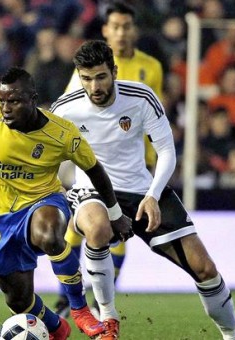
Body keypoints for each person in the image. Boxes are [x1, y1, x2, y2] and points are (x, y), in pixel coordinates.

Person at [50, 40, 235, 340]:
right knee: (97, 227)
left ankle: (233, 335)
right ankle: (108, 320)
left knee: (204, 268)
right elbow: (46, 154)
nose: (94, 86)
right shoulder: (66, 107)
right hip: (92, 190)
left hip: (142, 189)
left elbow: (166, 150)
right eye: (86, 78)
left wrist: (152, 195)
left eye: (100, 77)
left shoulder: (141, 97)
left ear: (113, 71)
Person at [0, 67, 133, 340]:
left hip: (44, 200)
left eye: (15, 101)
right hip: (1, 216)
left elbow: (96, 171)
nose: (6, 108)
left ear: (33, 99)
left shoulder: (62, 134)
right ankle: (58, 328)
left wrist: (115, 214)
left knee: (48, 233)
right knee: (18, 301)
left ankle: (80, 309)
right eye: (3, 101)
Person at [57, 0, 165, 316]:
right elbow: (66, 109)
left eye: (126, 26)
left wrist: (154, 156)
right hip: (90, 160)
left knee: (120, 230)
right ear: (106, 30)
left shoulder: (152, 68)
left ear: (134, 30)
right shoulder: (92, 66)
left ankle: (100, 298)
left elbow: (156, 115)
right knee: (82, 225)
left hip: (134, 163)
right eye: (115, 27)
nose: (121, 33)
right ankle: (68, 298)